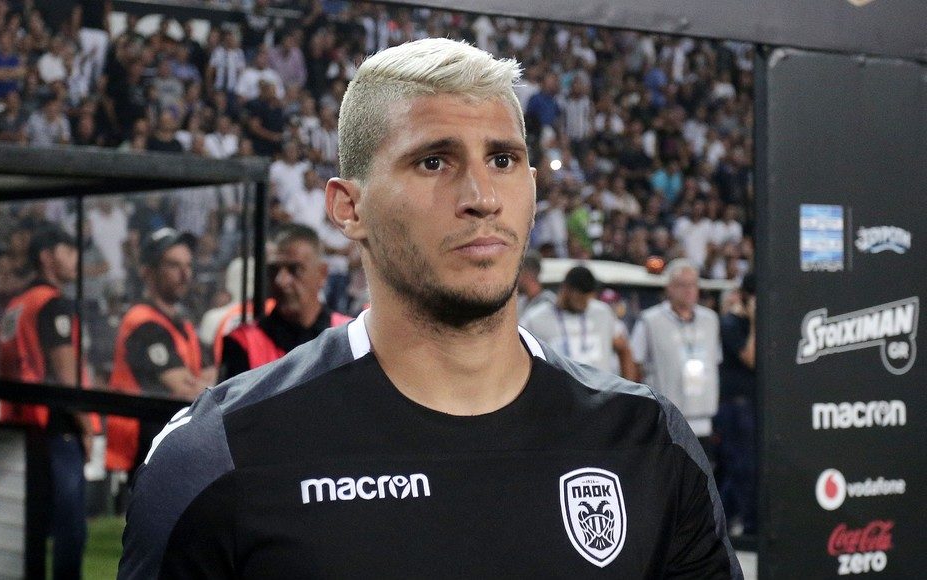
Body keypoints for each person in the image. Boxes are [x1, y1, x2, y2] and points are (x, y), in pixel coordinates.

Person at [120, 39, 740, 579]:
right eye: (434, 161)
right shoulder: (221, 454)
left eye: (503, 160)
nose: (481, 197)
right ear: (348, 208)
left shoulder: (647, 441)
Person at [0, 224, 95, 580]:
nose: (76, 258)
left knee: (31, 529)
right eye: (68, 251)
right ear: (46, 257)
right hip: (57, 428)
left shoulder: (16, 305)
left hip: (22, 426)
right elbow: (66, 378)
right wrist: (87, 428)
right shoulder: (53, 304)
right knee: (70, 530)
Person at [105, 228, 215, 476]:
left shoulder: (181, 323)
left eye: (188, 265)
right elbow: (185, 389)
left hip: (170, 445)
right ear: (148, 272)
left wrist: (200, 383)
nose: (185, 274)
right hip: (143, 452)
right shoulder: (143, 323)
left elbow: (211, 374)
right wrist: (200, 384)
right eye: (173, 265)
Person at [217, 224, 350, 381]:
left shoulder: (350, 337)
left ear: (322, 273)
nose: (281, 281)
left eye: (294, 269)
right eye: (273, 270)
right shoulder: (244, 343)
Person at [631, 259, 722, 445]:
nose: (689, 290)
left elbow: (715, 361)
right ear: (669, 288)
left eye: (693, 284)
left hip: (704, 416)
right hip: (667, 419)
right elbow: (635, 361)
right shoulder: (650, 320)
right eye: (682, 285)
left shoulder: (710, 320)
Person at [520, 265, 637, 381]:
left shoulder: (602, 312)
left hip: (600, 389)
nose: (585, 302)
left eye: (588, 297)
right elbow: (520, 356)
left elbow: (624, 349)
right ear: (566, 289)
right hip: (559, 390)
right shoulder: (535, 318)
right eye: (581, 297)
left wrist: (628, 387)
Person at [714, 273, 757, 536]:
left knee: (746, 468)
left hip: (755, 403)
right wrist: (755, 321)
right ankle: (740, 523)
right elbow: (751, 358)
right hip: (735, 405)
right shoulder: (730, 323)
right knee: (741, 467)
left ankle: (726, 520)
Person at [515, 249, 556, 320]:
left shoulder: (549, 302)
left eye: (517, 274)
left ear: (528, 274)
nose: (515, 280)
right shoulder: (520, 302)